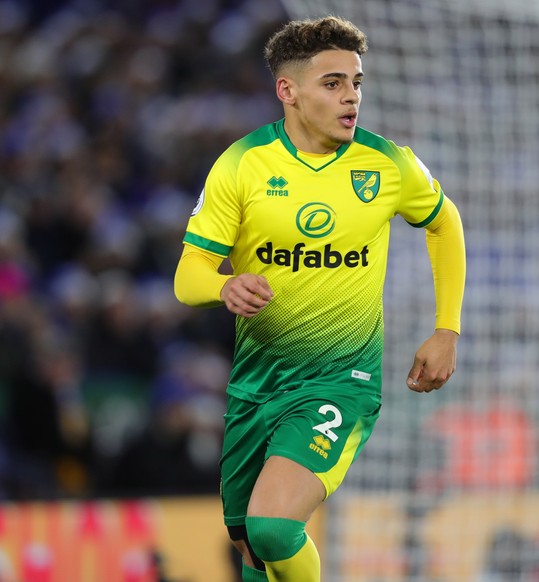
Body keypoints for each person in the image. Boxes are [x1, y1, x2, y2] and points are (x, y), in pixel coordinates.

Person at [173, 15, 466, 582]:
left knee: (274, 529)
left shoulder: (387, 164)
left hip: (340, 380)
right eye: (332, 83)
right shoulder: (243, 164)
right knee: (254, 552)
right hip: (255, 386)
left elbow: (444, 222)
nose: (351, 96)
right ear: (289, 91)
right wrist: (224, 285)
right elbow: (188, 275)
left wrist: (446, 327)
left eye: (356, 82)